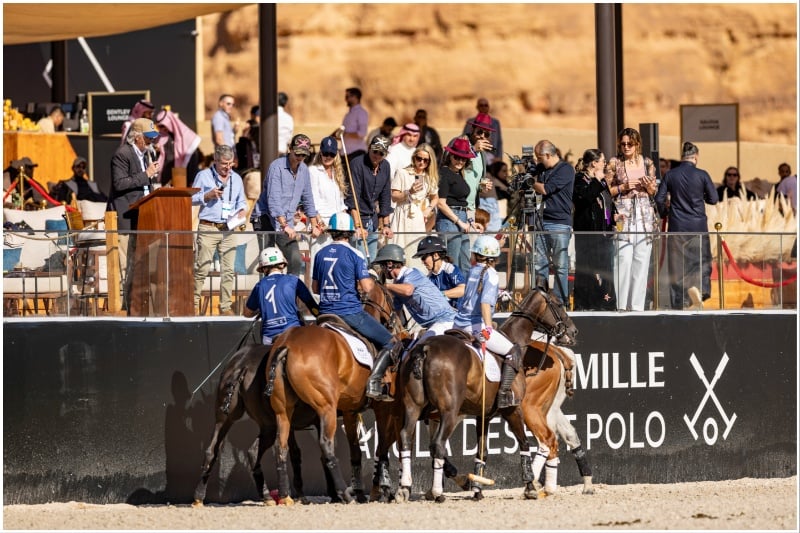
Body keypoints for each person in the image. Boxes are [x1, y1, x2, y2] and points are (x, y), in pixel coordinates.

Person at [312, 212, 397, 401]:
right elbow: (367, 287)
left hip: (324, 313)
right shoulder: (355, 254)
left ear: (332, 231)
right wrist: (368, 276)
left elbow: (315, 288)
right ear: (350, 233)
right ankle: (374, 382)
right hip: (349, 313)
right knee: (392, 342)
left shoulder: (320, 254)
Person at [453, 235, 522, 409]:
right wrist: (488, 327)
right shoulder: (491, 274)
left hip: (458, 324)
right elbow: (484, 304)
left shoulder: (472, 270)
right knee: (513, 351)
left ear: (476, 255)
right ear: (495, 258)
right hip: (475, 326)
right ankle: (503, 395)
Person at [655, 142, 718, 310]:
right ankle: (701, 291)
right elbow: (713, 199)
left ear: (682, 156)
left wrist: (664, 213)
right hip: (698, 227)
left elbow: (659, 199)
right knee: (701, 261)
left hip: (677, 227)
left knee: (676, 266)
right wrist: (700, 194)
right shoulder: (702, 175)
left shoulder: (670, 175)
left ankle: (679, 302)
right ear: (696, 156)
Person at [109, 117, 161, 311]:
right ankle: (123, 307)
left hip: (143, 217)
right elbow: (119, 183)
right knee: (125, 265)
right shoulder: (122, 154)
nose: (151, 142)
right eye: (148, 138)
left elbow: (143, 185)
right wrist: (145, 175)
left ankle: (134, 306)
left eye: (152, 138)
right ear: (136, 137)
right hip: (127, 217)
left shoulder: (145, 155)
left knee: (137, 264)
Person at [191, 144, 248, 316]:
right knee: (202, 268)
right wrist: (206, 196)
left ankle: (225, 307)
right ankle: (193, 304)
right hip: (208, 227)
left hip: (228, 229)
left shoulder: (236, 179)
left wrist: (242, 211)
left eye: (231, 163)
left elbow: (241, 202)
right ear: (215, 161)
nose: (228, 167)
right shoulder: (203, 176)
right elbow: (190, 198)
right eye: (224, 163)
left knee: (228, 270)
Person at [605, 127, 658, 311]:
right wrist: (624, 186)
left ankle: (636, 307)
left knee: (641, 262)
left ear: (637, 144)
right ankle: (620, 305)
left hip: (644, 216)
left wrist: (649, 187)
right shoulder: (614, 163)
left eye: (630, 144)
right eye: (623, 144)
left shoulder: (648, 162)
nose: (626, 147)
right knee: (623, 259)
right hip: (623, 216)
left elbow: (654, 192)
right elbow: (607, 191)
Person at [255, 133, 323, 277]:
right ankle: (267, 294)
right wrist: (284, 225)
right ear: (290, 149)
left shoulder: (304, 169)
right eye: (297, 153)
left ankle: (290, 293)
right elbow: (273, 199)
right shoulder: (277, 167)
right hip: (266, 217)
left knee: (296, 260)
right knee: (268, 262)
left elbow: (308, 198)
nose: (300, 158)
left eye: (303, 155)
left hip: (286, 220)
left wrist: (314, 223)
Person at [372, 243, 456, 341]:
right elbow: (396, 312)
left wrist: (386, 286)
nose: (382, 270)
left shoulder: (412, 273)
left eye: (382, 265)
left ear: (390, 264)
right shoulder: (397, 284)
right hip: (432, 325)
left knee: (418, 352)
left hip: (444, 321)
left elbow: (408, 290)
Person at [243, 247, 320, 345]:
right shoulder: (294, 280)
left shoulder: (260, 285)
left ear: (264, 268)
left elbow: (247, 313)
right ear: (282, 264)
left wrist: (260, 310)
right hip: (294, 332)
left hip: (269, 338)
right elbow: (312, 305)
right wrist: (320, 317)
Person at [530, 140, 575, 307]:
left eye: (539, 157)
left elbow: (546, 189)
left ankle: (559, 301)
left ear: (548, 155)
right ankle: (539, 299)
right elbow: (531, 171)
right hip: (541, 221)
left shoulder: (566, 169)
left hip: (559, 223)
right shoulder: (542, 168)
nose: (538, 160)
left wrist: (530, 182)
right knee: (539, 263)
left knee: (560, 266)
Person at [571, 149, 616, 311]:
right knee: (588, 269)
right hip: (587, 234)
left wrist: (614, 218)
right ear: (594, 163)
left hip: (603, 233)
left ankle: (605, 302)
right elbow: (585, 198)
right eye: (602, 161)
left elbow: (607, 203)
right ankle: (586, 303)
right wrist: (597, 180)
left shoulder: (602, 181)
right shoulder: (579, 179)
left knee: (605, 268)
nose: (604, 164)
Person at [344, 136, 394, 262]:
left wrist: (386, 224)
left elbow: (385, 196)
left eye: (381, 153)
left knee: (370, 262)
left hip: (373, 220)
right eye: (375, 151)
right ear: (369, 148)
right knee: (360, 261)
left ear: (385, 154)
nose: (377, 155)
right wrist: (358, 226)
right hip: (358, 219)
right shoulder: (357, 164)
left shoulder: (386, 166)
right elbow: (352, 198)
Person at [390, 143, 439, 269]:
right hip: (403, 213)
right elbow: (394, 196)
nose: (421, 162)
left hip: (417, 215)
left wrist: (428, 210)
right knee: (398, 249)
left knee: (414, 248)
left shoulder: (429, 177)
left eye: (425, 160)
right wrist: (409, 192)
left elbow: (435, 197)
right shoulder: (403, 173)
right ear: (414, 158)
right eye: (419, 158)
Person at [436, 138, 479, 273]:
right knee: (451, 264)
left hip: (461, 218)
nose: (460, 161)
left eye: (463, 159)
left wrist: (470, 222)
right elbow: (441, 203)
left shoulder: (458, 174)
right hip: (449, 219)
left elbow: (461, 202)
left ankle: (463, 293)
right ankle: (450, 293)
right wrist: (460, 222)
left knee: (464, 262)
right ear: (450, 156)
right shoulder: (444, 173)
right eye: (457, 157)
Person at [308, 135, 348, 273]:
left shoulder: (338, 172)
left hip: (337, 226)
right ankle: (316, 295)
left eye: (331, 153)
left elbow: (341, 204)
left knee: (337, 265)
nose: (328, 156)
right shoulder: (313, 171)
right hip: (322, 225)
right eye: (325, 153)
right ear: (320, 152)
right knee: (320, 264)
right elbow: (311, 200)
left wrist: (345, 224)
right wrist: (318, 223)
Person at [414, 235, 466, 310]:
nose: (423, 262)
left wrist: (440, 294)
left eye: (424, 258)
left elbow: (462, 290)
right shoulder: (429, 278)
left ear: (435, 255)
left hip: (459, 314)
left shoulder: (450, 269)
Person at [153, 108, 202, 187]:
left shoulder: (186, 135)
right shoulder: (160, 137)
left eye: (163, 125)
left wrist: (192, 180)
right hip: (167, 179)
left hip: (184, 178)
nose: (162, 128)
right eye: (160, 126)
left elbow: (192, 158)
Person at [462, 98, 503, 165]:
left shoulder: (495, 122)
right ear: (477, 107)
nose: (482, 136)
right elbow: (464, 138)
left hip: (491, 156)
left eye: (485, 105)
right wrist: (473, 149)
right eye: (481, 105)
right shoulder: (470, 122)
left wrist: (499, 157)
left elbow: (499, 142)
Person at [341, 87, 369, 162]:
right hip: (345, 152)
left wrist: (346, 134)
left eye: (347, 97)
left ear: (355, 97)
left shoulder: (361, 113)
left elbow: (362, 133)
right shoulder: (348, 115)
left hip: (357, 152)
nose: (345, 99)